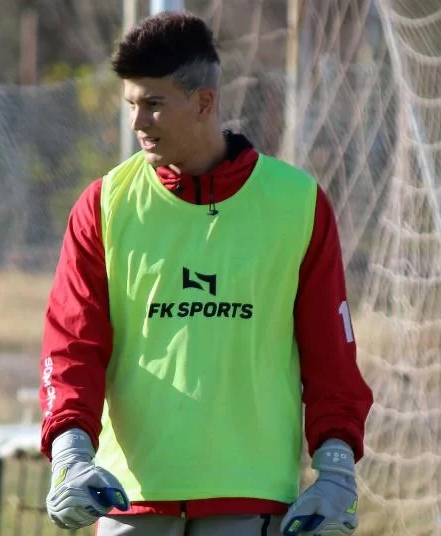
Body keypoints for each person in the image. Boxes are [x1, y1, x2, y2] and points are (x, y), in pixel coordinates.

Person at [38, 10, 373, 536]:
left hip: (251, 496)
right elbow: (72, 346)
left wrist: (335, 471)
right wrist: (70, 453)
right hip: (129, 496)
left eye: (153, 104)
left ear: (204, 102)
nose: (137, 123)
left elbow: (330, 354)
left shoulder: (297, 203)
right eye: (131, 104)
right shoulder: (104, 205)